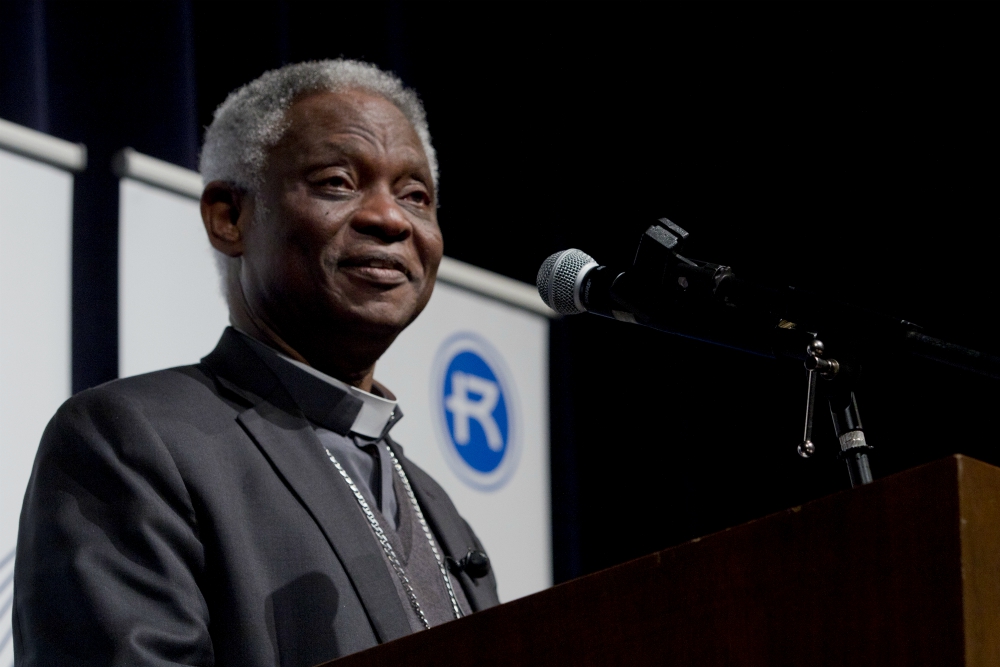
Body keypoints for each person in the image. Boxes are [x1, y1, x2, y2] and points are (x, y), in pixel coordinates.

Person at [14, 59, 499, 667]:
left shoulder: (438, 511)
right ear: (230, 217)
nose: (390, 218)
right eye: (337, 182)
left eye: (415, 196)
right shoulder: (131, 440)